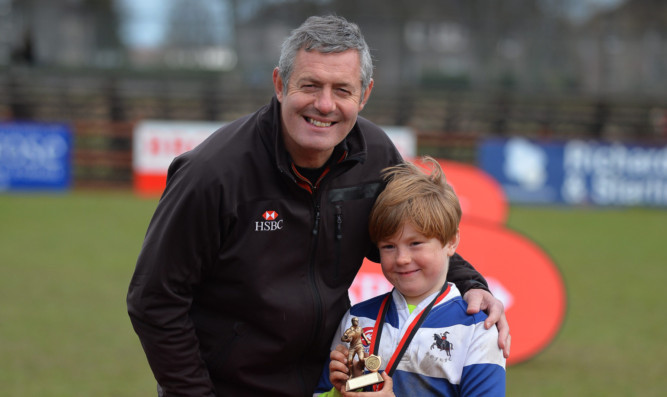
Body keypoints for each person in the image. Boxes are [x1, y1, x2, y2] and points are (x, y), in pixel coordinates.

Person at [127, 15, 509, 397]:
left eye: (342, 90)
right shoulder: (211, 173)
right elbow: (154, 299)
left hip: (326, 386)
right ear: (280, 84)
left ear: (364, 94)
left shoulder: (374, 155)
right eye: (310, 86)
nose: (324, 104)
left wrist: (471, 284)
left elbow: (418, 230)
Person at [317, 157, 506, 396]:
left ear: (451, 241)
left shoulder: (477, 326)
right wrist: (338, 390)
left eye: (415, 243)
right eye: (388, 246)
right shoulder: (357, 318)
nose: (402, 258)